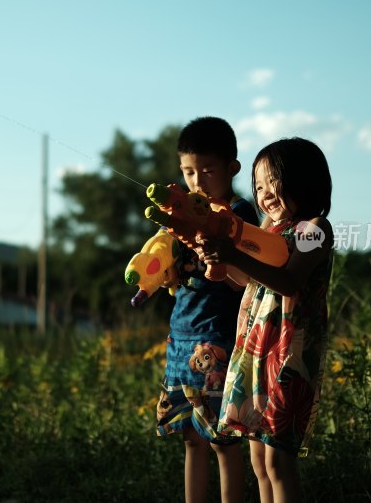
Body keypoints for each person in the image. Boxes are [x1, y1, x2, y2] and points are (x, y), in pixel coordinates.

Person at [199, 137, 333, 503]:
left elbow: (290, 282)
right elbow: (249, 280)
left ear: (304, 179)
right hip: (257, 353)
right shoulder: (268, 229)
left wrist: (235, 256)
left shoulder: (315, 228)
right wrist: (220, 264)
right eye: (257, 185)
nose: (263, 193)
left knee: (278, 461)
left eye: (271, 181)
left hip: (290, 356)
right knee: (258, 457)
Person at [155, 116, 259, 503]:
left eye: (207, 171)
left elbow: (246, 273)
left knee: (223, 440)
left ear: (232, 167)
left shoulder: (239, 214)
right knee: (191, 439)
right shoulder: (178, 214)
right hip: (180, 334)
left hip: (217, 336)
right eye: (187, 172)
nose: (196, 182)